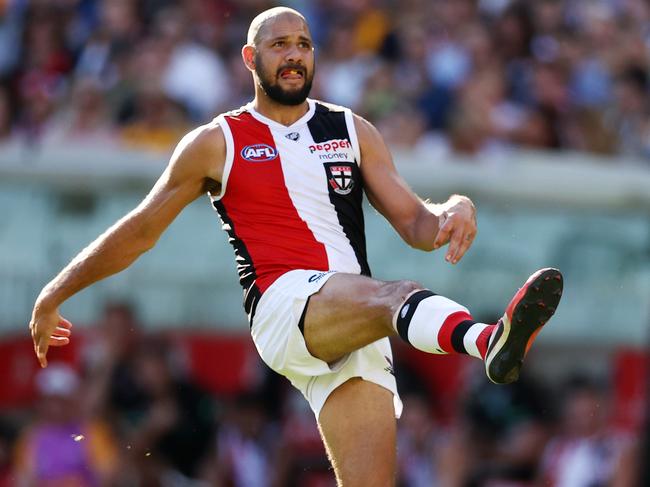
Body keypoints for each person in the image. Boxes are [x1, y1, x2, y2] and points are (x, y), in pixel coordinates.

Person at [29, 7, 563, 486]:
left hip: (351, 319)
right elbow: (141, 230)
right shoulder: (218, 141)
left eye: (303, 45)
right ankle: (487, 340)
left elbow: (418, 227)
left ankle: (485, 342)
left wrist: (454, 207)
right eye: (279, 44)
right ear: (249, 57)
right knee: (396, 294)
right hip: (284, 306)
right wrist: (56, 292)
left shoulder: (352, 130)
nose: (293, 56)